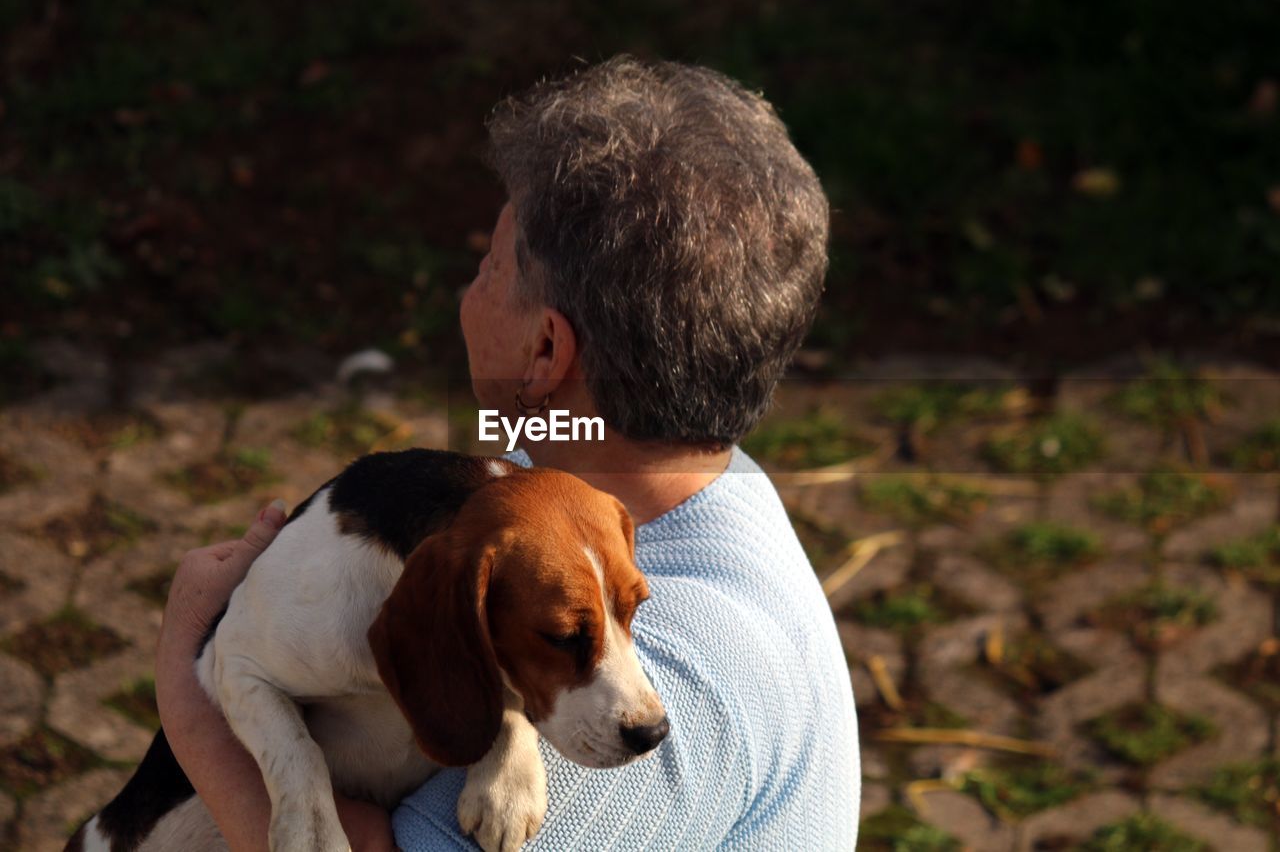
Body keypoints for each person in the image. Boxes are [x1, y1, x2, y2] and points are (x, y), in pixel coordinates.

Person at [156, 56, 860, 850]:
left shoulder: (659, 695)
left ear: (544, 349)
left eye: (489, 270)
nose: (468, 296)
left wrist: (192, 682)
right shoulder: (689, 487)